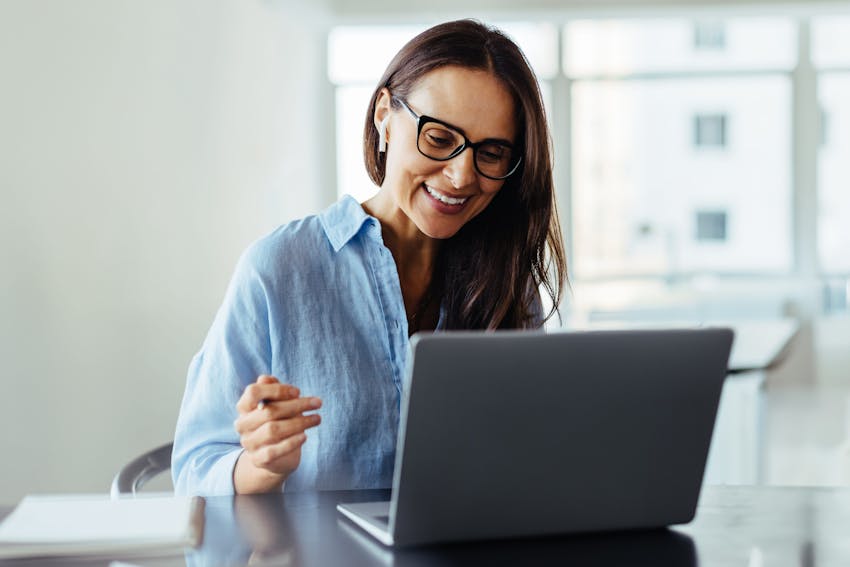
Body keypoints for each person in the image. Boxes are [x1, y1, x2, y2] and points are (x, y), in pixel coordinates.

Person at [172, 18, 567, 496]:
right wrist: (261, 466)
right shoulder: (279, 269)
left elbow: (527, 454)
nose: (462, 176)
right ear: (384, 115)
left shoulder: (506, 279)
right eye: (439, 139)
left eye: (492, 153)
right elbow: (194, 468)